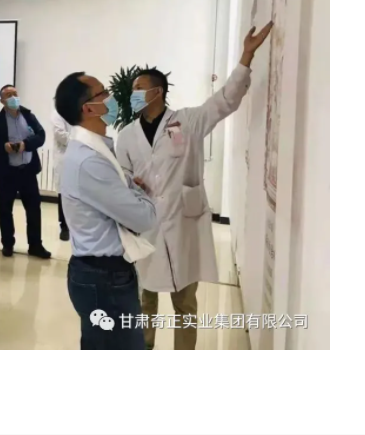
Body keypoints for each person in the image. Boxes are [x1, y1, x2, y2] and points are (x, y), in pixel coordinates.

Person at [116, 22, 274, 350]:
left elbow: (225, 100)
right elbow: (123, 175)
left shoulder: (188, 121)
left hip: (182, 225)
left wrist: (246, 57)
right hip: (146, 227)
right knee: (145, 300)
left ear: (158, 92)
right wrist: (132, 183)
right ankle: (143, 348)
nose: (133, 94)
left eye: (139, 88)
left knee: (185, 304)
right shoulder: (127, 135)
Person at [55, 72, 157, 349]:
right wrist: (140, 193)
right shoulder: (89, 160)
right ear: (88, 108)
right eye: (103, 93)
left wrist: (128, 188)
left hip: (103, 275)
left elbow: (124, 191)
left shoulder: (95, 149)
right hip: (104, 279)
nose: (111, 97)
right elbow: (144, 218)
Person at [0, 85, 51, 259]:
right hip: (6, 173)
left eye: (15, 93)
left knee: (33, 209)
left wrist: (25, 145)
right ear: (2, 101)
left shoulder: (28, 116)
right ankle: (8, 244)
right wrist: (3, 147)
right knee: (5, 210)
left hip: (28, 171)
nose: (13, 97)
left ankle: (35, 245)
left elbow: (41, 136)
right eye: (8, 95)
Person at [51, 108, 71, 241]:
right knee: (63, 193)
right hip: (64, 158)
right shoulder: (58, 113)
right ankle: (64, 227)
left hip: (79, 157)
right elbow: (60, 135)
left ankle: (75, 226)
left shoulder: (79, 111)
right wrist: (81, 140)